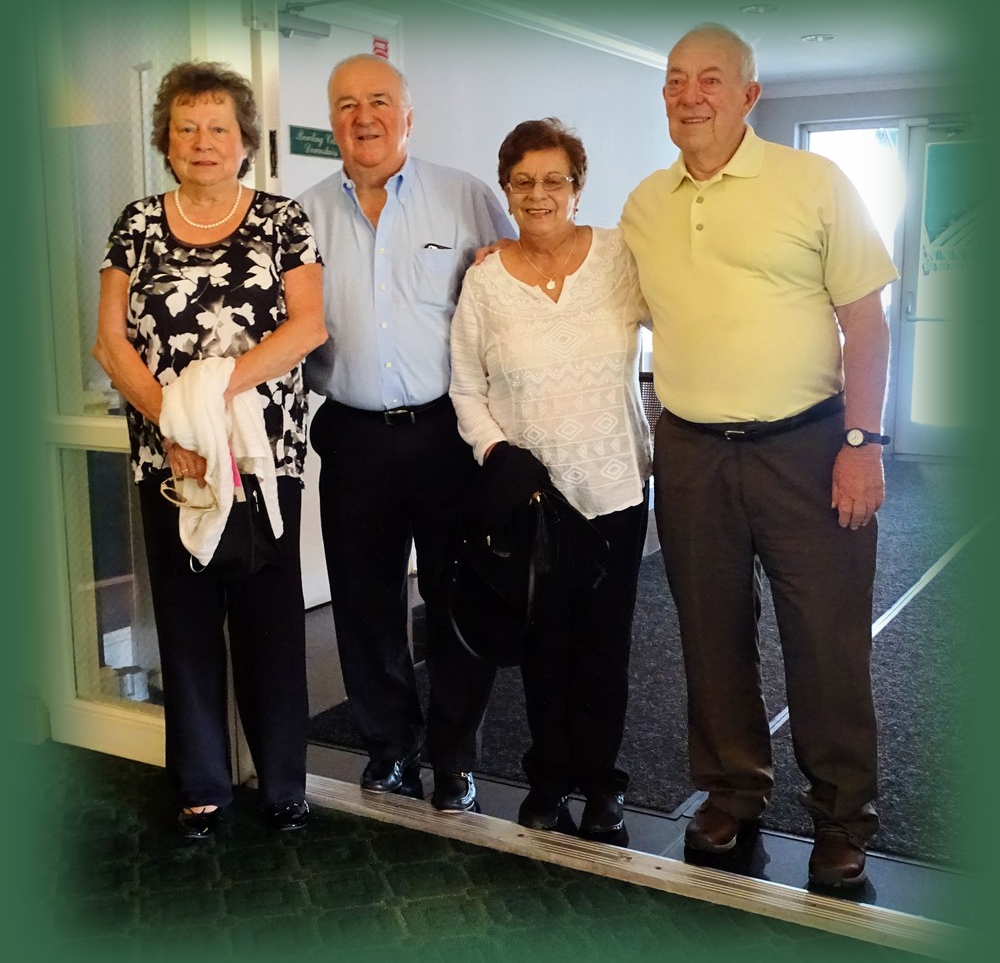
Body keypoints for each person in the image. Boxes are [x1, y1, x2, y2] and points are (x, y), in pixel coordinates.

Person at [619, 24, 898, 887]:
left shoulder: (813, 182)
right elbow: (605, 294)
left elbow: (866, 323)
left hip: (809, 446)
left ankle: (842, 817)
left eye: (710, 79)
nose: (689, 94)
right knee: (709, 634)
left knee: (827, 641)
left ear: (749, 95)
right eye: (675, 80)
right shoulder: (645, 203)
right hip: (692, 451)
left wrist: (862, 443)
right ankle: (732, 792)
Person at [92, 61, 327, 839]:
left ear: (245, 140)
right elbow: (111, 342)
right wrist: (179, 425)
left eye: (218, 127)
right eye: (186, 127)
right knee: (186, 621)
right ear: (166, 141)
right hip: (171, 459)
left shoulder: (283, 218)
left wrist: (213, 404)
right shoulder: (136, 223)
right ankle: (200, 783)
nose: (202, 141)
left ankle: (283, 783)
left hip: (262, 457)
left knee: (271, 622)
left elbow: (307, 327)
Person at [297, 54, 514, 812]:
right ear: (332, 121)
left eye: (380, 101)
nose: (364, 117)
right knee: (364, 605)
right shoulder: (301, 216)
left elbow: (510, 295)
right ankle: (389, 749)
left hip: (447, 434)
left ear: (408, 116)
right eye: (347, 104)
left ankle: (455, 760)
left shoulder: (465, 197)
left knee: (456, 599)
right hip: (352, 436)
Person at [449, 118, 652, 840]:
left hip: (615, 490)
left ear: (578, 187)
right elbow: (465, 388)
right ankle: (548, 781)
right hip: (533, 502)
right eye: (523, 181)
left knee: (604, 646)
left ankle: (602, 784)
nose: (539, 194)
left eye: (554, 180)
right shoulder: (485, 281)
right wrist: (496, 451)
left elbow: (685, 319)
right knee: (543, 647)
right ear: (507, 190)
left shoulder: (621, 257)